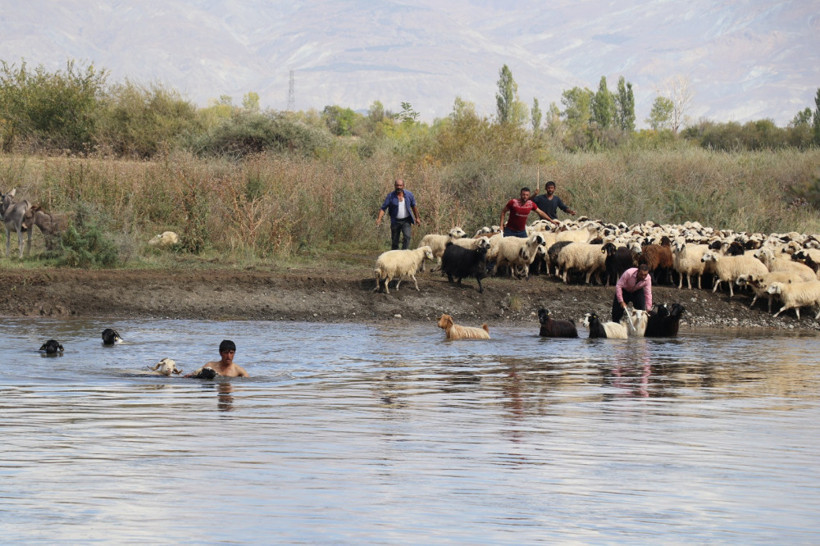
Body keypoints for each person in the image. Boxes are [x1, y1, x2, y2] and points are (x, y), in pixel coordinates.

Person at [376, 178, 421, 249]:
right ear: (394, 186)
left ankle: (403, 254)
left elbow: (414, 206)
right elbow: (383, 208)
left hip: (406, 221)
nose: (399, 187)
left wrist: (417, 218)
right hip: (395, 221)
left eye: (400, 185)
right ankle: (394, 256)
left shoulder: (409, 194)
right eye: (397, 185)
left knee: (407, 237)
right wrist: (379, 219)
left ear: (403, 186)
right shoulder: (390, 196)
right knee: (395, 241)